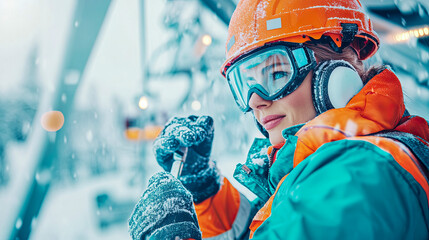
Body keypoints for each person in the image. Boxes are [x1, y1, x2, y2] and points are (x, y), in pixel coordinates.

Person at [128, 0, 429, 239]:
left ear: (336, 76)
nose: (255, 100)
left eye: (276, 73)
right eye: (245, 84)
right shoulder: (336, 164)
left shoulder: (359, 176)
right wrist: (207, 193)